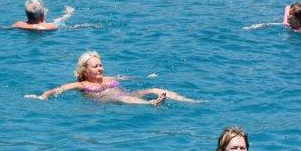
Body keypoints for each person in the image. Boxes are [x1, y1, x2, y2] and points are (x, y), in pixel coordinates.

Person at [34, 51, 196, 105]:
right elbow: (60, 89)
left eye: (101, 65)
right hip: (111, 100)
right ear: (85, 71)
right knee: (124, 99)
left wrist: (146, 77)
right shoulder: (82, 84)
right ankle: (151, 104)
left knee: (154, 89)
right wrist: (43, 96)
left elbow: (131, 78)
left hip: (128, 95)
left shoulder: (109, 78)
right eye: (95, 66)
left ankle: (188, 100)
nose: (100, 68)